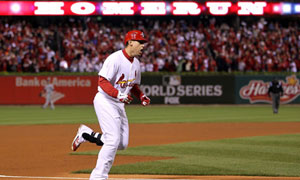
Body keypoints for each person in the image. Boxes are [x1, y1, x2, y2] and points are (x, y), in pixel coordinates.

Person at [71, 30, 151, 180]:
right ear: (130, 42)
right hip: (105, 100)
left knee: (121, 144)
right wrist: (118, 94)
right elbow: (102, 82)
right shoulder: (115, 59)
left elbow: (132, 85)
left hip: (118, 104)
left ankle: (86, 134)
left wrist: (141, 95)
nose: (143, 46)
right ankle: (98, 177)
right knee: (113, 140)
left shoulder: (136, 63)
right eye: (141, 42)